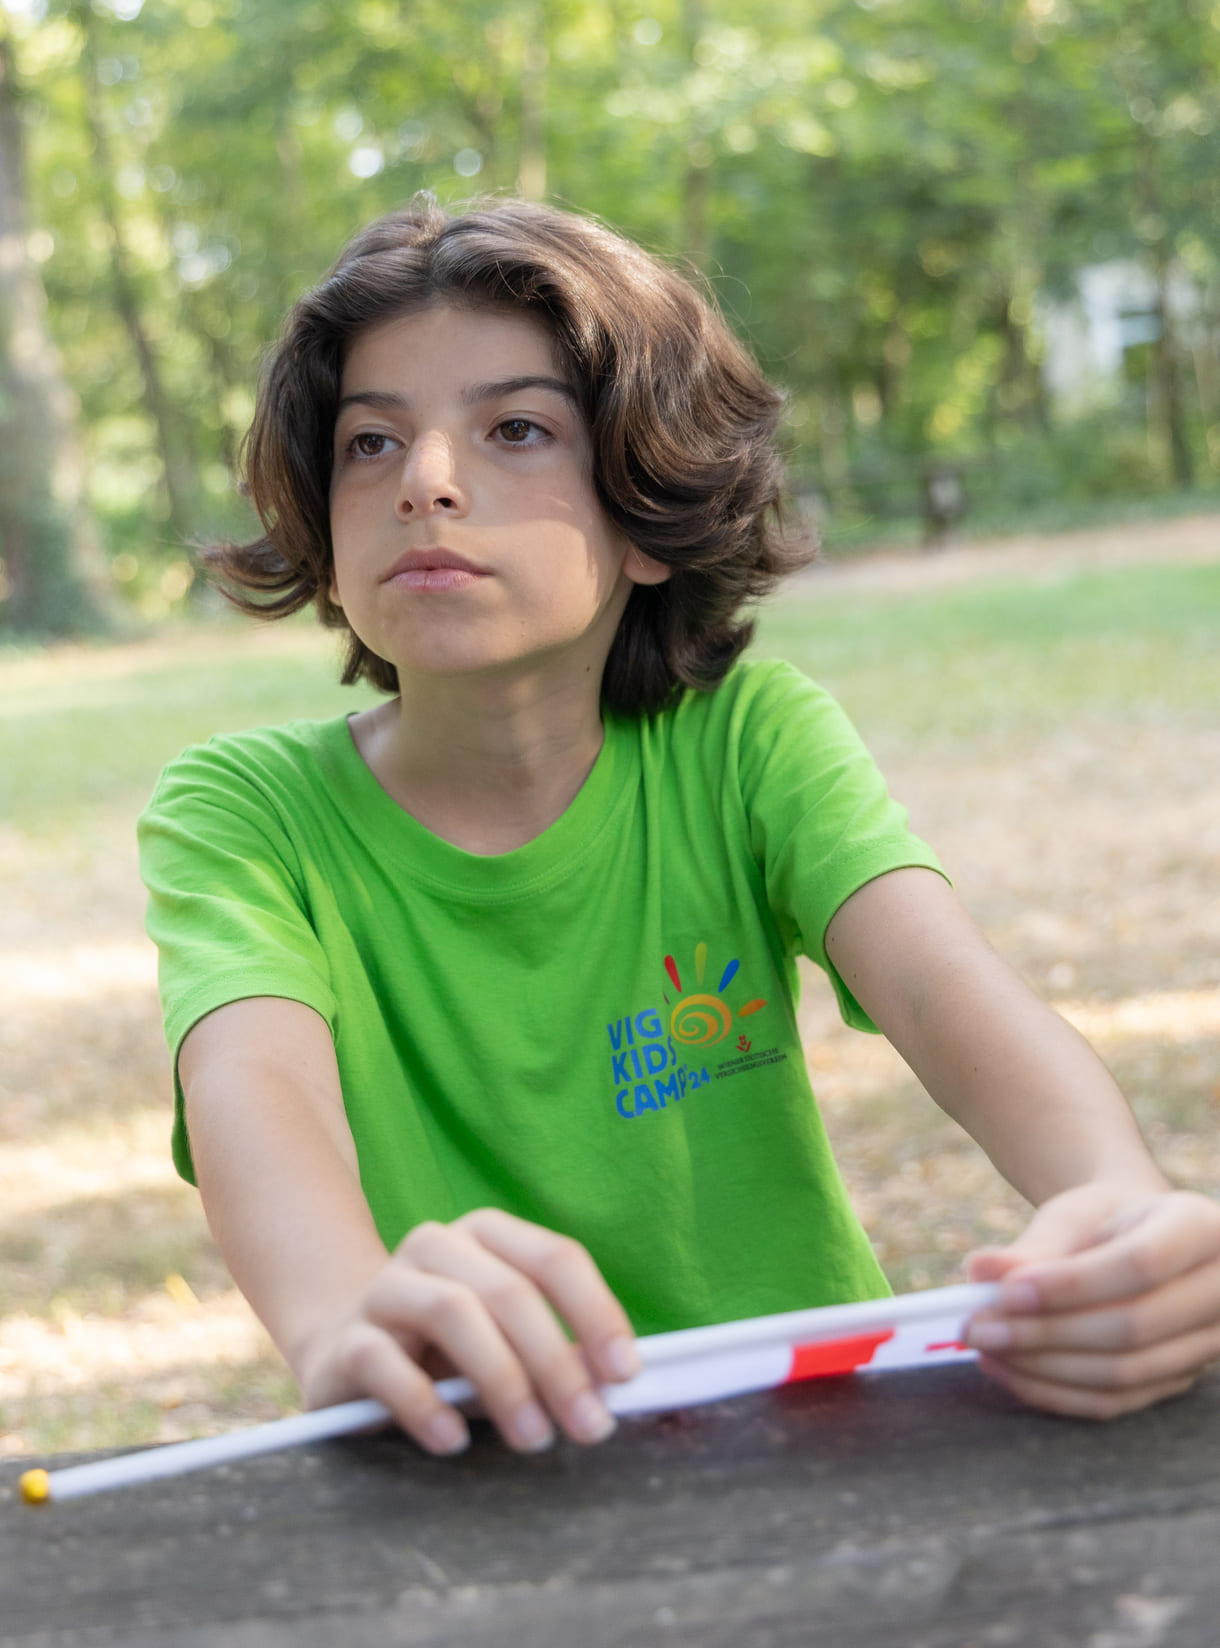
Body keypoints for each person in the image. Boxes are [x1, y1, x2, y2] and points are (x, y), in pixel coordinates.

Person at [138, 196, 1220, 1460]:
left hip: (815, 1446)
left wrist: (1116, 1205)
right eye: (370, 443)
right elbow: (250, 1085)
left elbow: (938, 986)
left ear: (647, 510)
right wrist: (337, 1321)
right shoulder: (242, 814)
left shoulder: (748, 739)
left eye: (516, 428)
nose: (425, 481)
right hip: (469, 1464)